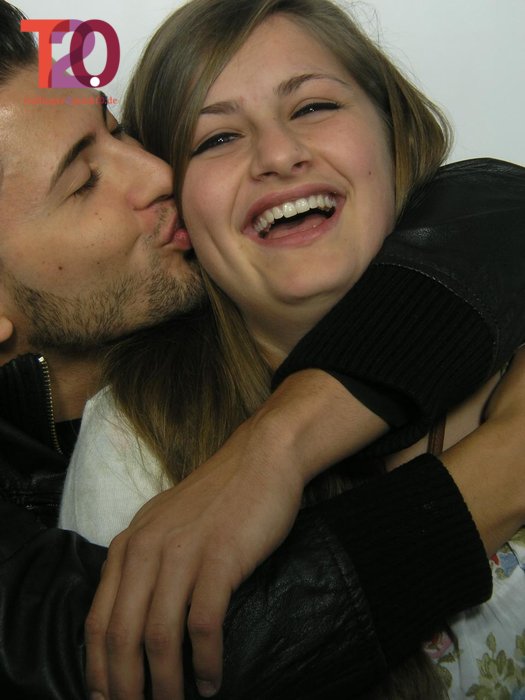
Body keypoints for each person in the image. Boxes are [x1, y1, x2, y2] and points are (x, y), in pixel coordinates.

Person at [0, 1, 524, 698]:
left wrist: (275, 444)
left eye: (118, 129)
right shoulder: (134, 445)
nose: (155, 174)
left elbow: (492, 205)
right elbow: (182, 661)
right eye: (83, 181)